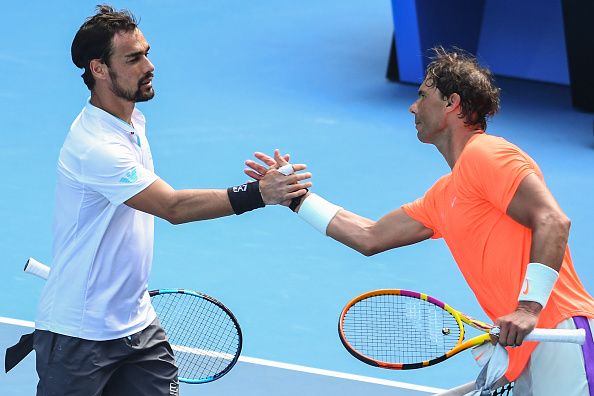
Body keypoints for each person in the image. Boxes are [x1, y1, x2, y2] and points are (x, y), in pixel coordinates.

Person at [246, 47, 594, 395]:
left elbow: (552, 220)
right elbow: (369, 236)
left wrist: (528, 308)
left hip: (559, 332)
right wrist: (295, 199)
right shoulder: (445, 194)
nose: (413, 107)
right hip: (525, 345)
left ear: (452, 103)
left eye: (423, 96)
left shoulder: (487, 153)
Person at [20, 4, 311, 396]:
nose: (149, 65)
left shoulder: (130, 121)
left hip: (137, 322)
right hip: (80, 333)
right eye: (134, 58)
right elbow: (172, 207)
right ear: (99, 69)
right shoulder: (96, 146)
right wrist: (258, 193)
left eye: (147, 53)